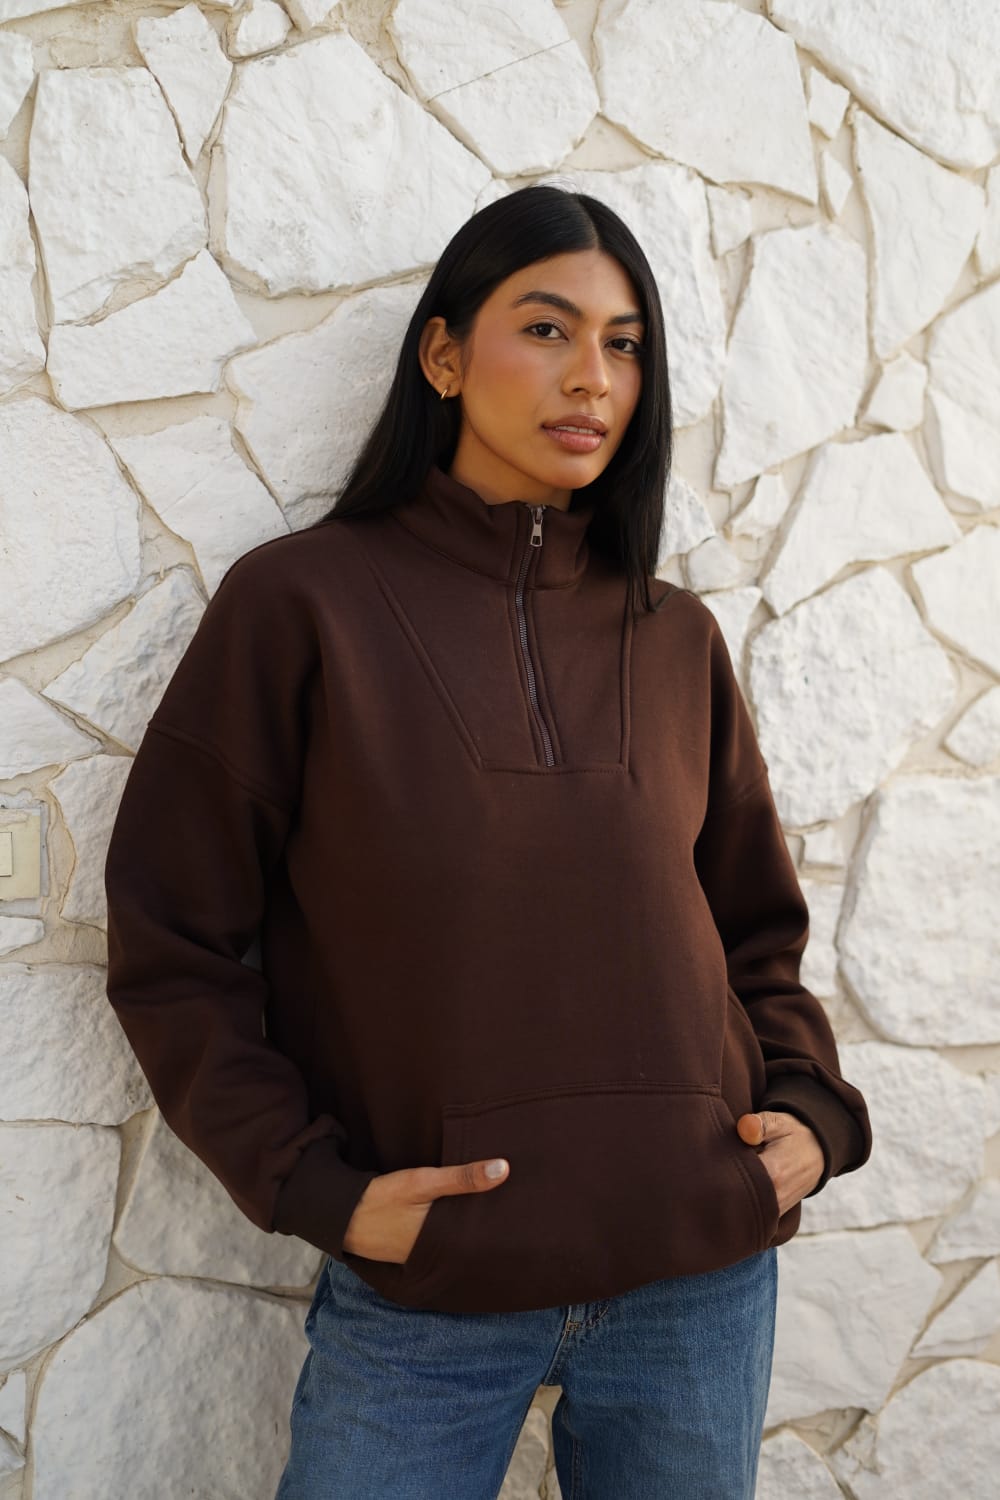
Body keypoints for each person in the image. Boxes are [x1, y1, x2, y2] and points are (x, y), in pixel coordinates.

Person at [103, 184, 872, 1500]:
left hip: (699, 1280)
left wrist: (809, 1110)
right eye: (548, 328)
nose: (593, 378)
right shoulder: (300, 606)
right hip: (430, 1301)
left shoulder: (673, 637)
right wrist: (315, 1186)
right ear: (445, 356)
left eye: (625, 344)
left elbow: (753, 928)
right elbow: (173, 941)